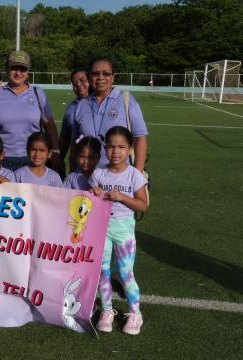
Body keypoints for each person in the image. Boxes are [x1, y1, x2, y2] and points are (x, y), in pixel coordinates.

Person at [89, 126, 148, 335]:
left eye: (122, 147)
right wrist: (93, 192)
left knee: (125, 273)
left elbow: (143, 205)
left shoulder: (134, 175)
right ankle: (106, 311)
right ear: (105, 148)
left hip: (124, 231)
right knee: (102, 272)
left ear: (130, 149)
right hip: (101, 230)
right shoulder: (98, 173)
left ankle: (135, 313)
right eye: (111, 146)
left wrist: (123, 197)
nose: (116, 151)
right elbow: (88, 201)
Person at [0, 50, 61, 171]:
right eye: (14, 68)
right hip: (2, 160)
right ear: (7, 70)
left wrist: (55, 151)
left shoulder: (38, 93)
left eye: (22, 69)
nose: (18, 73)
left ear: (28, 73)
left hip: (33, 159)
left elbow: (50, 126)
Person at [73, 56, 148, 171]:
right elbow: (75, 144)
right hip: (85, 178)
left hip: (117, 178)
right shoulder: (82, 105)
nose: (101, 77)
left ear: (113, 77)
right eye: (95, 74)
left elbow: (140, 139)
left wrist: (137, 175)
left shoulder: (126, 100)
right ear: (89, 77)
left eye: (106, 73)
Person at [59, 68, 90, 171]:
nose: (78, 84)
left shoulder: (103, 103)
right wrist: (59, 160)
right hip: (78, 169)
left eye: (82, 80)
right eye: (74, 83)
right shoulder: (71, 108)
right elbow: (64, 137)